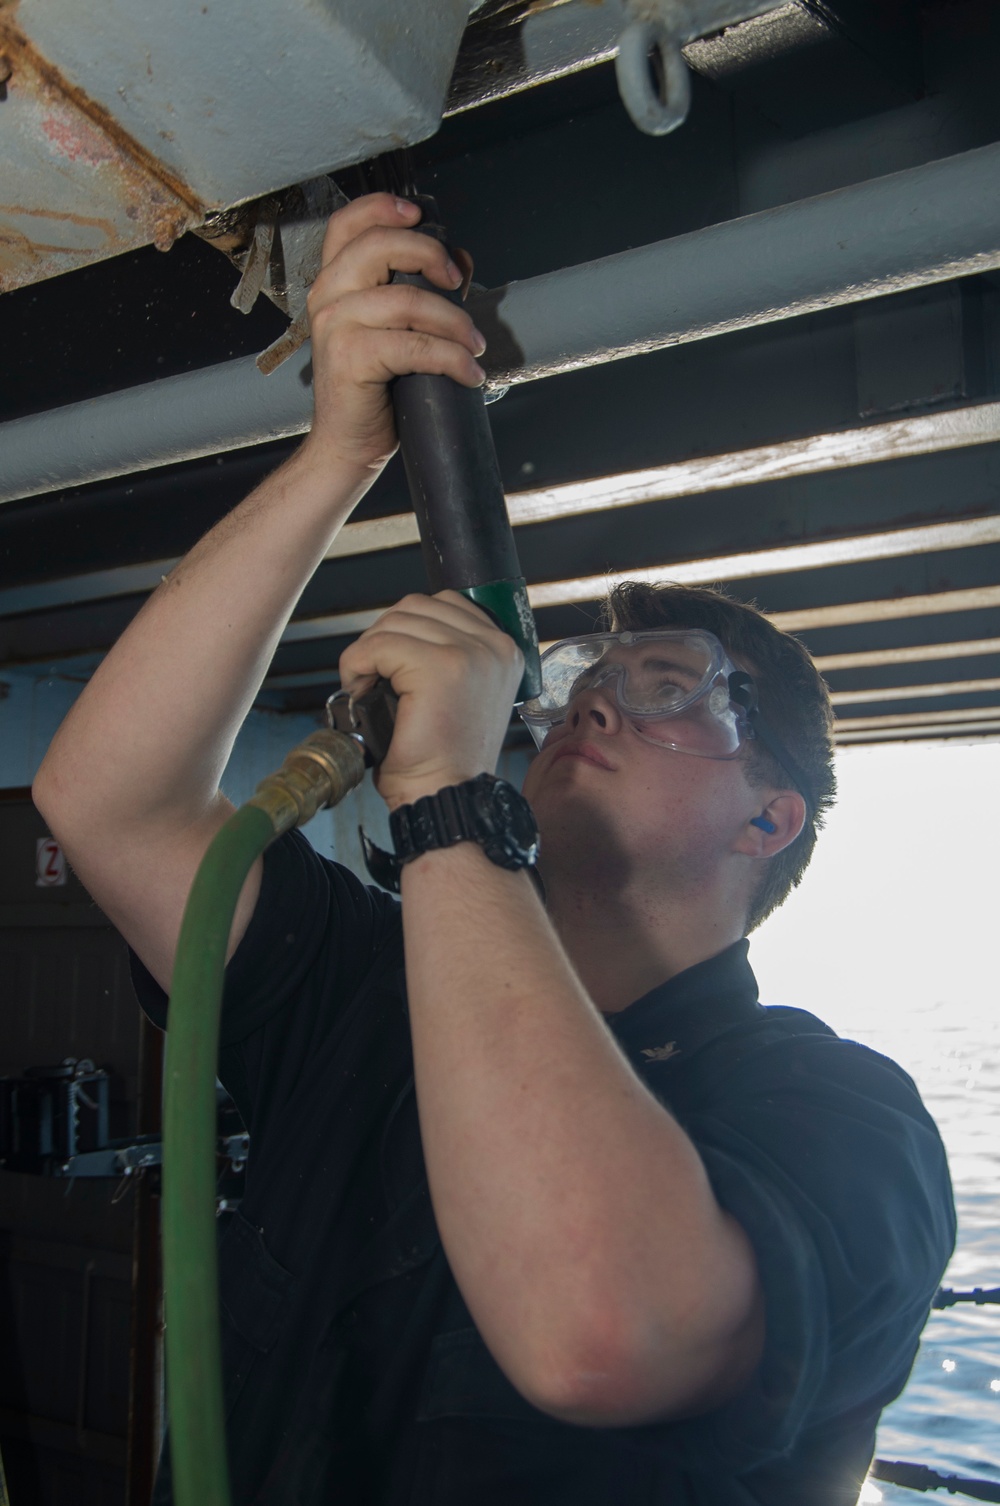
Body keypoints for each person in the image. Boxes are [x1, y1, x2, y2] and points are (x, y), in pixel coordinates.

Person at [33, 193, 956, 1505]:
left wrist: (452, 795)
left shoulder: (846, 1115)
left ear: (771, 817)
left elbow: (601, 1330)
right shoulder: (370, 985)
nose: (593, 698)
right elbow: (108, 799)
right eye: (592, 671)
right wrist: (335, 458)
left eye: (670, 683)